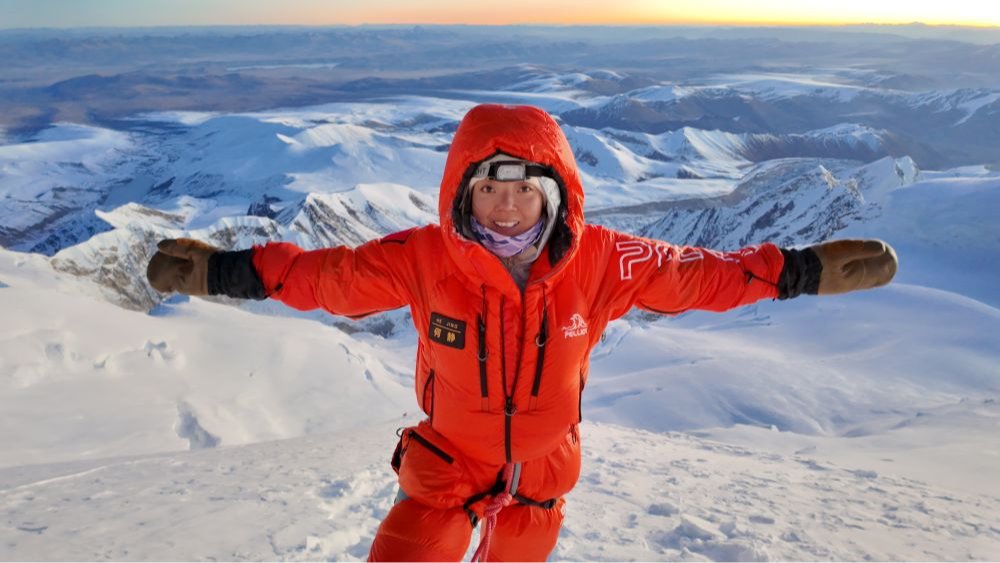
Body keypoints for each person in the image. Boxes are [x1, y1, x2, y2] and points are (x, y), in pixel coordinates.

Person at [146, 104, 897, 562]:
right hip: (448, 465)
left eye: (524, 191)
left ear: (554, 195)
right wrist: (224, 272)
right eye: (489, 190)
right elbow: (325, 277)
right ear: (463, 193)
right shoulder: (424, 257)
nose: (506, 208)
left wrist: (799, 270)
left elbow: (703, 276)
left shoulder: (602, 259)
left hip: (544, 473)